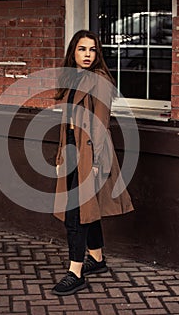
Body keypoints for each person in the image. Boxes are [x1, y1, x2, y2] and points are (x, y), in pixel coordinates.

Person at [52, 30, 134, 296]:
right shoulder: (71, 79)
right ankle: (96, 259)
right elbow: (66, 123)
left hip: (91, 154)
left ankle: (75, 272)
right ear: (73, 53)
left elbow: (100, 124)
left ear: (97, 54)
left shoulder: (98, 81)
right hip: (73, 151)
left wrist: (97, 163)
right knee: (87, 208)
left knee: (76, 213)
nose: (87, 55)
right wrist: (60, 155)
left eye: (92, 50)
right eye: (82, 49)